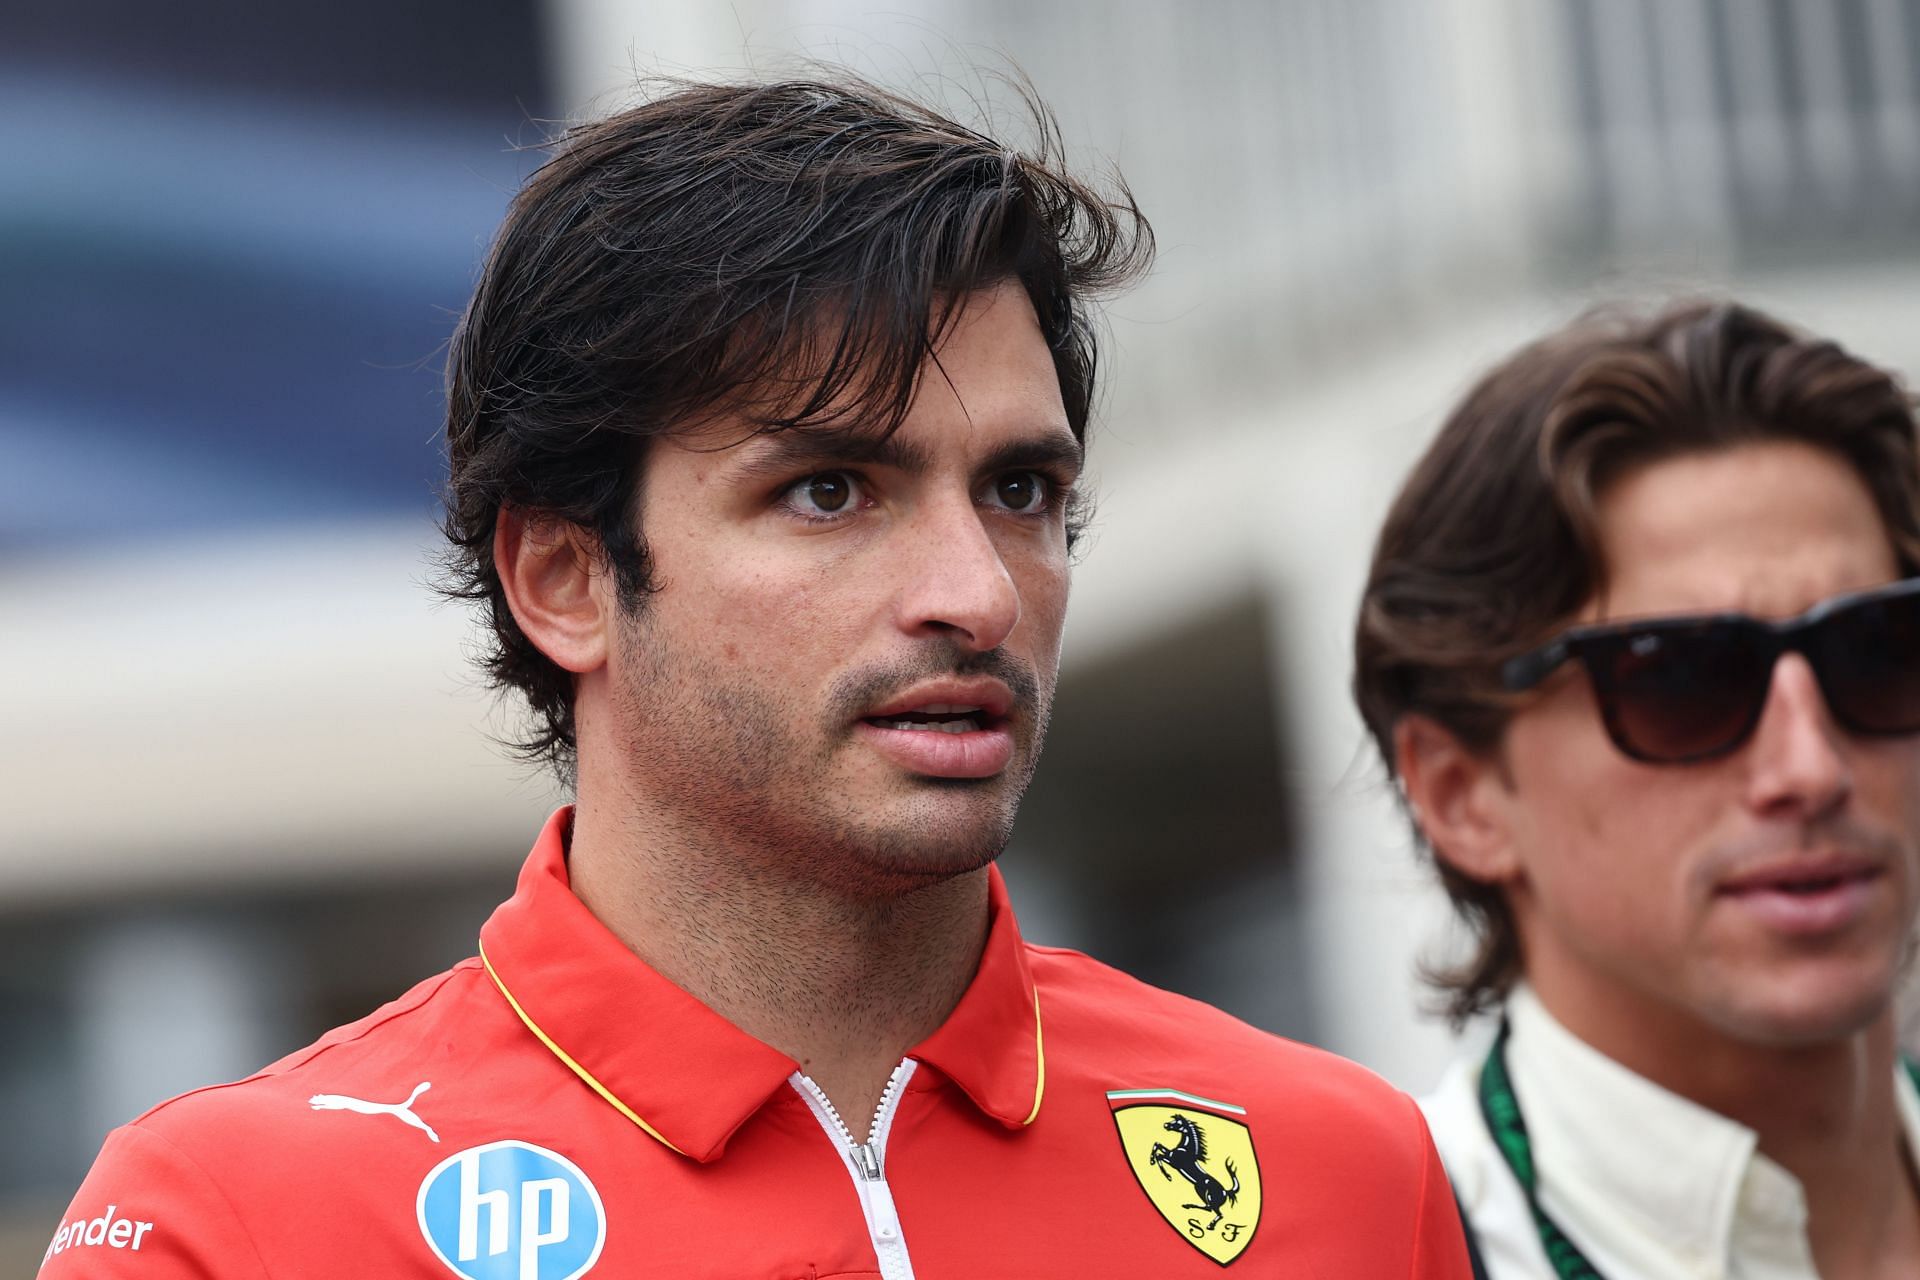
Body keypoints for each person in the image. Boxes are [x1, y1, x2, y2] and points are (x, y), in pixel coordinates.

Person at [44, 75, 1471, 1278]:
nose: (975, 594)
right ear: (564, 577)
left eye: (1022, 489)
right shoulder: (232, 1226)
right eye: (832, 491)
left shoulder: (1344, 1173)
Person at [1354, 300, 1920, 1278]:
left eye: (1875, 651)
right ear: (1461, 797)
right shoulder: (1385, 1253)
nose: (1810, 769)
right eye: (1682, 678)